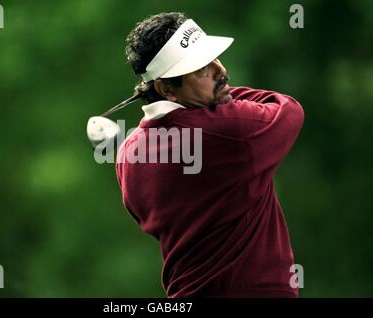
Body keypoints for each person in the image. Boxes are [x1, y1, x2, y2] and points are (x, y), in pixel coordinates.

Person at [115, 12, 304, 298]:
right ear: (167, 89)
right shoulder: (230, 130)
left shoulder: (128, 155)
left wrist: (213, 96)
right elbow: (288, 110)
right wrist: (221, 100)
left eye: (214, 58)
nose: (221, 71)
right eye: (202, 68)